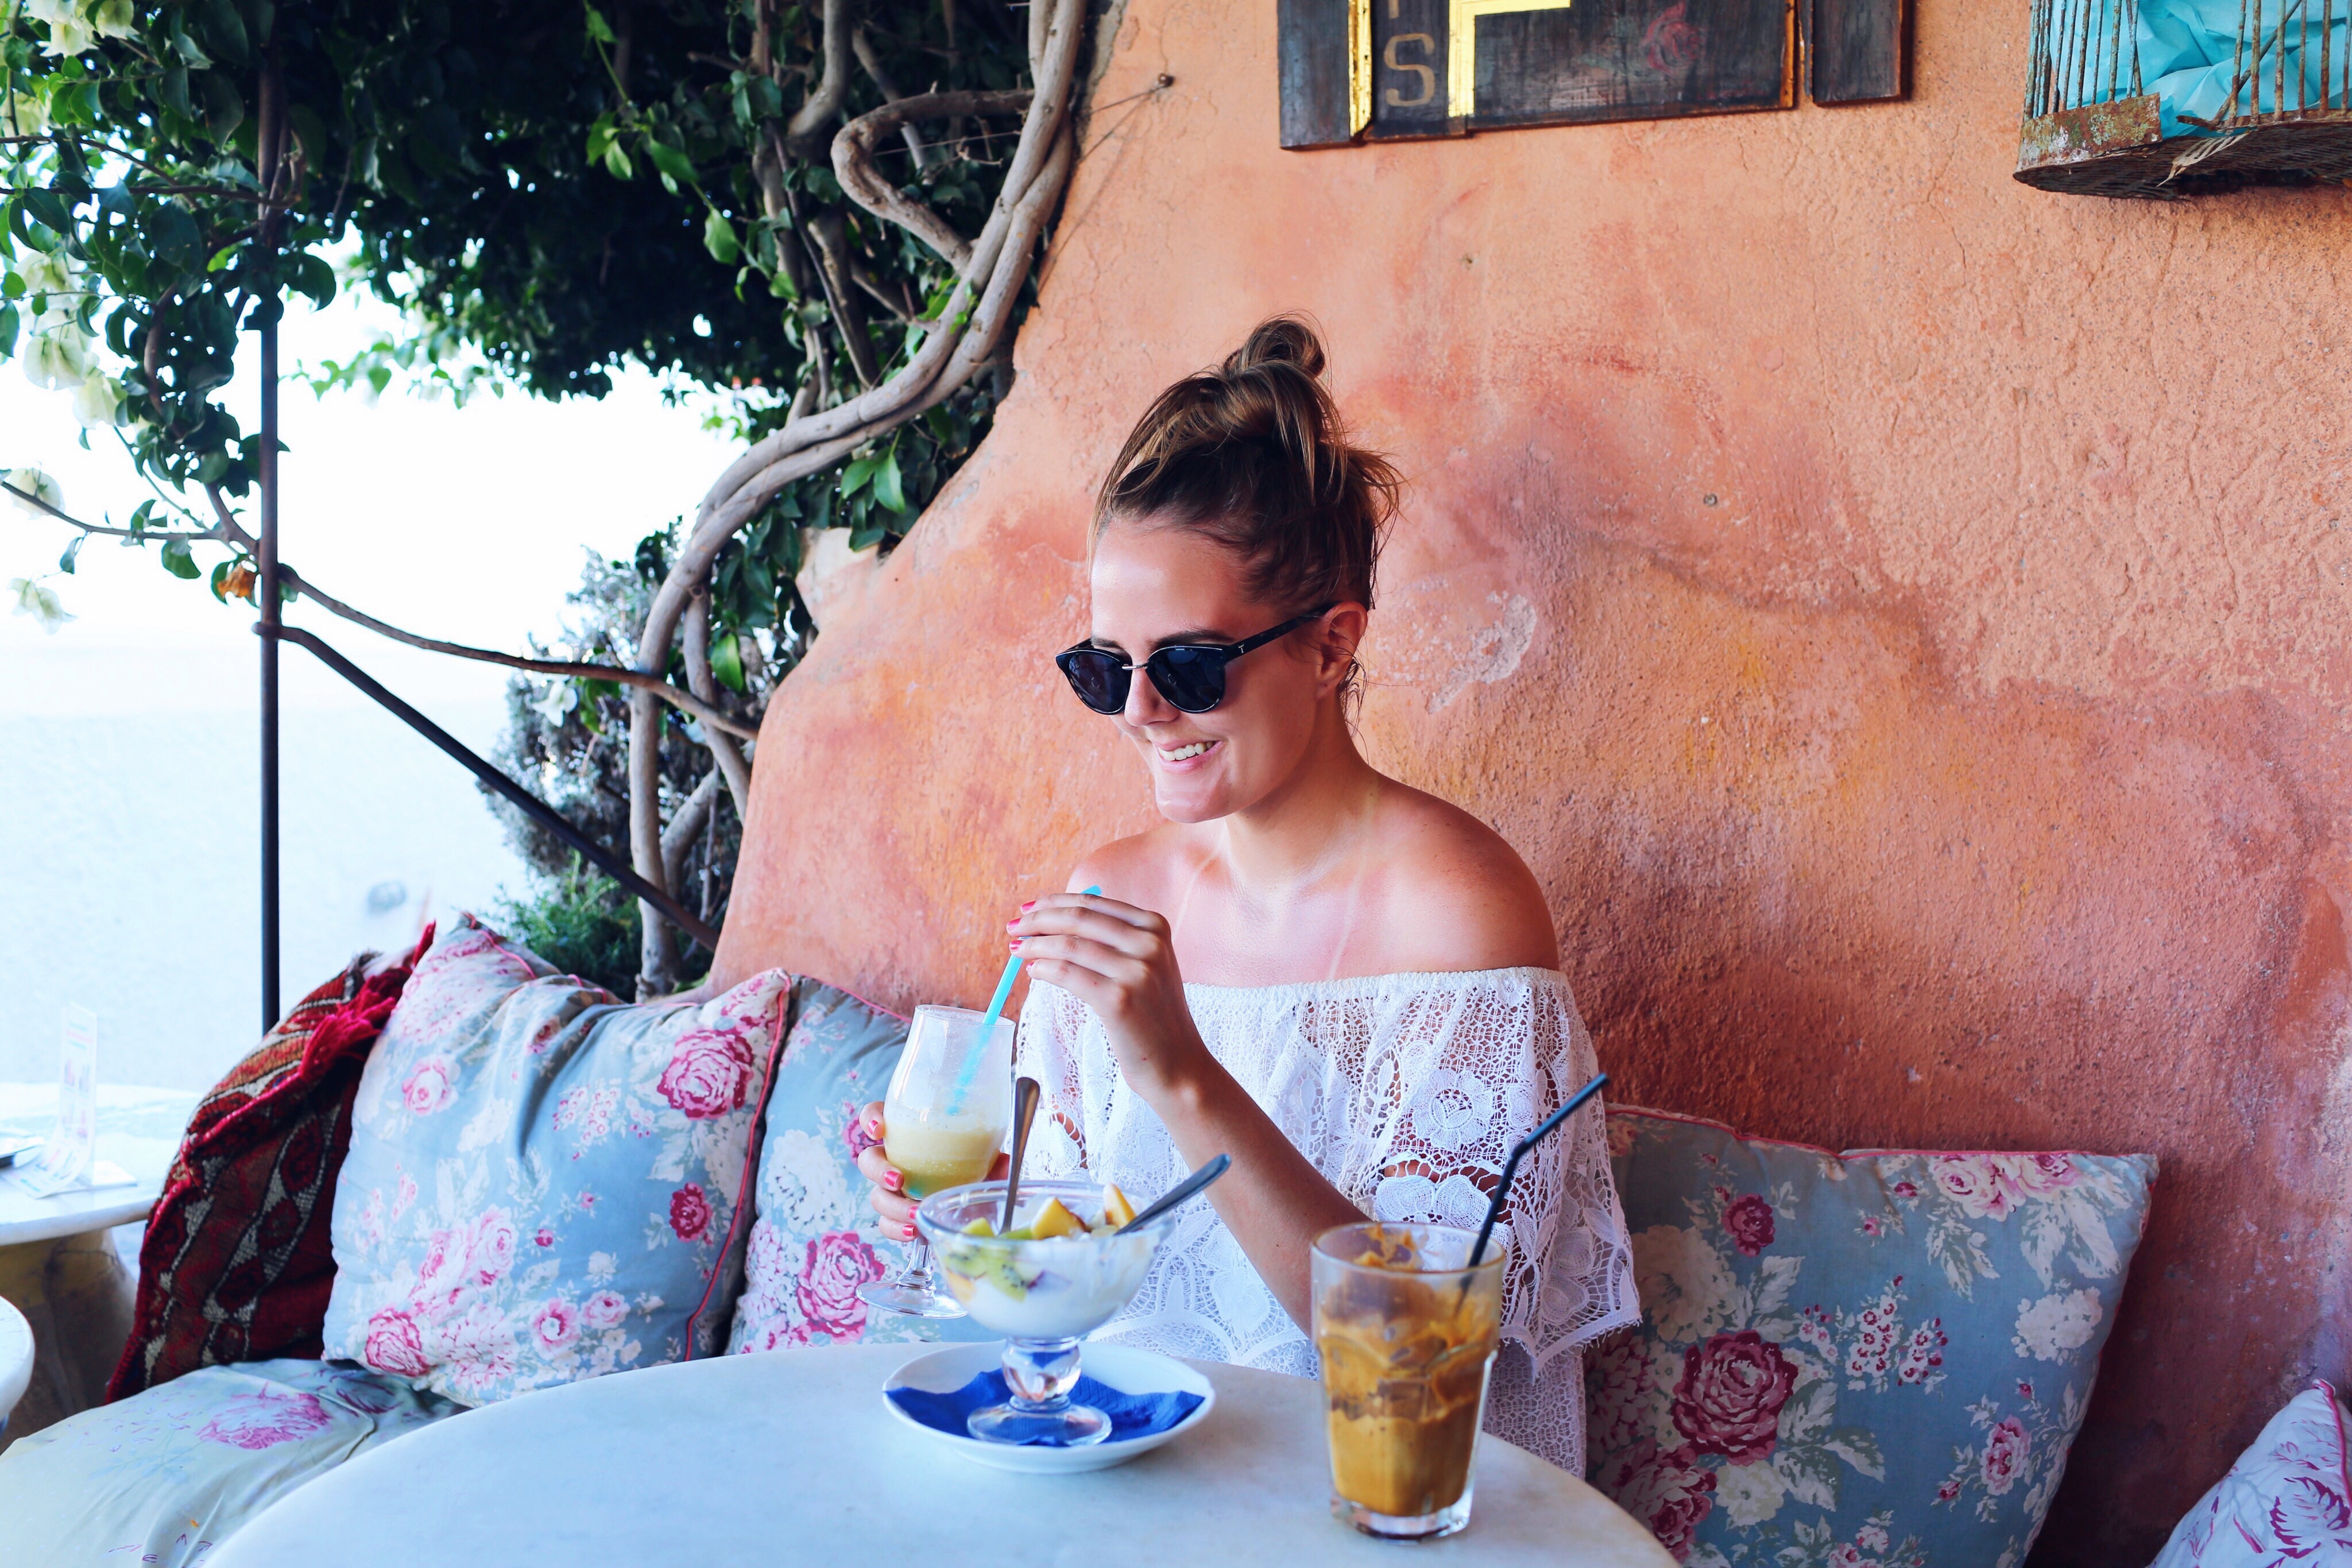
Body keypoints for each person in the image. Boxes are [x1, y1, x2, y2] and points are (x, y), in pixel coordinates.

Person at [858, 317, 1636, 1473]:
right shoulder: (1107, 894)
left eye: (1184, 664)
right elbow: (1062, 1259)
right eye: (1103, 667)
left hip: (1372, 1517)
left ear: (1329, 648)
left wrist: (1179, 1070)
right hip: (1123, 1487)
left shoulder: (1457, 910)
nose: (1137, 711)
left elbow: (1419, 1356)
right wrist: (972, 1208)